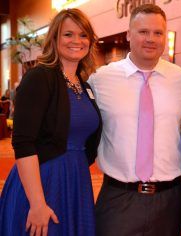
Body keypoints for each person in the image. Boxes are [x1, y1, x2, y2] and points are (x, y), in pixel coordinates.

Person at [88, 4, 181, 236]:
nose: (151, 39)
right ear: (128, 34)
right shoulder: (101, 79)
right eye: (143, 31)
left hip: (171, 199)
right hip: (118, 198)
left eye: (158, 33)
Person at [0, 8, 102, 236]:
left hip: (75, 181)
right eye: (68, 34)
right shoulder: (39, 77)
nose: (76, 40)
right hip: (43, 182)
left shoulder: (84, 86)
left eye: (83, 35)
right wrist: (37, 204)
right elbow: (23, 142)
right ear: (54, 38)